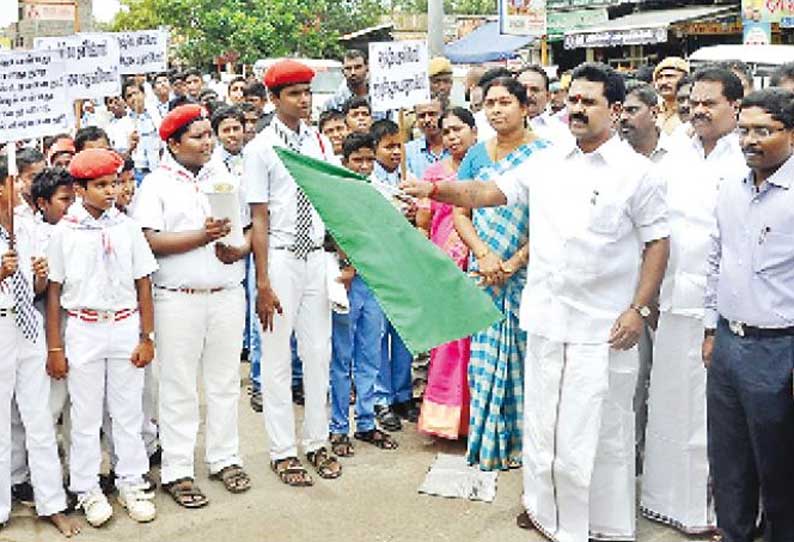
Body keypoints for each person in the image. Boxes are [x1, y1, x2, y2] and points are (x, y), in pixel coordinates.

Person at [402, 62, 670, 541]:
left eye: (589, 101)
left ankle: (599, 525)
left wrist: (640, 308)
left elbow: (657, 243)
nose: (578, 109)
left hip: (603, 327)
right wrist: (434, 188)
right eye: (573, 100)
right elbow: (487, 191)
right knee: (545, 426)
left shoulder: (637, 175)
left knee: (600, 430)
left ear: (613, 108)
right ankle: (548, 515)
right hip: (546, 318)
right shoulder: (547, 161)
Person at [633, 73, 741, 533]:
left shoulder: (747, 157)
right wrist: (650, 294)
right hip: (674, 302)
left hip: (725, 309)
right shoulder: (676, 153)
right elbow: (655, 227)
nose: (698, 110)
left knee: (712, 413)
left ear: (735, 106)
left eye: (709, 103)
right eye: (692, 102)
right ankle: (668, 502)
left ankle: (715, 510)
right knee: (671, 404)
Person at [133, 104, 252, 507]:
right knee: (178, 385)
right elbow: (148, 240)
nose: (208, 142)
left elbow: (249, 230)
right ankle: (178, 469)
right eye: (198, 136)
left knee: (223, 382)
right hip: (177, 298)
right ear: (172, 143)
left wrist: (240, 250)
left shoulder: (226, 175)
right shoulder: (156, 185)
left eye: (208, 135)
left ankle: (224, 457)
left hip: (226, 293)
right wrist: (201, 237)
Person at [47, 149, 158, 527]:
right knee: (85, 414)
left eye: (114, 183)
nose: (111, 191)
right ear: (80, 188)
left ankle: (131, 481)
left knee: (127, 411)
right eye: (101, 185)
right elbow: (54, 292)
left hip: (125, 324)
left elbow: (143, 281)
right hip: (83, 327)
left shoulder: (126, 226)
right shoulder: (65, 232)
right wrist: (55, 347)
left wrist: (146, 335)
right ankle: (87, 488)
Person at [244, 59, 343, 487]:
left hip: (316, 258)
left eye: (308, 92)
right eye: (294, 94)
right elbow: (259, 219)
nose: (304, 100)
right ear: (273, 99)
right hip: (280, 257)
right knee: (277, 356)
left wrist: (342, 257)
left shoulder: (320, 143)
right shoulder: (260, 148)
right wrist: (263, 282)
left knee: (319, 352)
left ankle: (317, 442)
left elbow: (332, 203)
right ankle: (283, 450)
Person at [703, 87, 794, 541]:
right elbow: (715, 260)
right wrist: (709, 328)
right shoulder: (731, 189)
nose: (750, 140)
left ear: (792, 135)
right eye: (744, 130)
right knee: (729, 462)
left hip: (780, 350)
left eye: (765, 131)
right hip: (728, 344)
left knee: (779, 467)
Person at [453, 76, 548, 471]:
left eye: (505, 101)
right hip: (485, 273)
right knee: (485, 360)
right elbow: (462, 210)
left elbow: (550, 219)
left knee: (527, 360)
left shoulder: (547, 155)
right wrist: (485, 255)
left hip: (527, 272)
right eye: (489, 103)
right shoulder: (476, 155)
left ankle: (527, 446)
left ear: (525, 107)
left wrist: (513, 263)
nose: (496, 109)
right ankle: (490, 442)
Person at [0, 158, 79, 538]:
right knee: (1, 422)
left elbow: (34, 290)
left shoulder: (26, 230)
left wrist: (41, 279)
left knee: (38, 419)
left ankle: (52, 503)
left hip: (27, 327)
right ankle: (1, 508)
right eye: (10, 185)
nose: (16, 191)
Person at [328, 132, 398, 458]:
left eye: (370, 159)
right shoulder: (333, 194)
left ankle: (367, 422)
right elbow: (331, 234)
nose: (365, 165)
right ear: (345, 162)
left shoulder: (379, 191)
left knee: (369, 355)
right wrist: (347, 260)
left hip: (373, 281)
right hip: (345, 281)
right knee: (342, 358)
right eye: (358, 160)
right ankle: (339, 427)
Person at [415, 107, 477, 440]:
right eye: (447, 131)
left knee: (476, 345)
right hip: (445, 267)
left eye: (458, 129)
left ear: (474, 131)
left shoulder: (485, 168)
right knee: (448, 344)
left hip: (481, 266)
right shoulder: (434, 174)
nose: (452, 137)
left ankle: (475, 419)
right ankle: (445, 421)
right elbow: (423, 224)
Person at [369, 119, 417, 431]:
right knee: (377, 334)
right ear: (374, 151)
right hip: (378, 264)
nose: (395, 152)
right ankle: (381, 397)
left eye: (399, 145)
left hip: (404, 263)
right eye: (388, 147)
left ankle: (402, 394)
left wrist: (414, 214)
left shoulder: (409, 180)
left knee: (402, 332)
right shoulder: (367, 182)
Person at [516, 65, 571, 143]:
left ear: (547, 96)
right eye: (523, 89)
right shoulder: (498, 129)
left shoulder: (562, 133)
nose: (528, 95)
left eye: (535, 90)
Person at [123, 79, 161, 184]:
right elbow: (122, 155)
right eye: (129, 96)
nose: (134, 98)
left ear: (144, 94)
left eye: (136, 93)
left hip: (159, 169)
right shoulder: (122, 124)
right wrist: (130, 147)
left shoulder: (157, 115)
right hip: (138, 173)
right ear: (126, 101)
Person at [405, 98, 448, 180]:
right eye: (422, 116)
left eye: (432, 114)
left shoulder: (457, 147)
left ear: (444, 115)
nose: (427, 120)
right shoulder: (408, 151)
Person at [653, 57, 690, 135]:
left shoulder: (689, 111)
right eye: (660, 77)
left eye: (670, 76)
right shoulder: (653, 112)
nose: (664, 82)